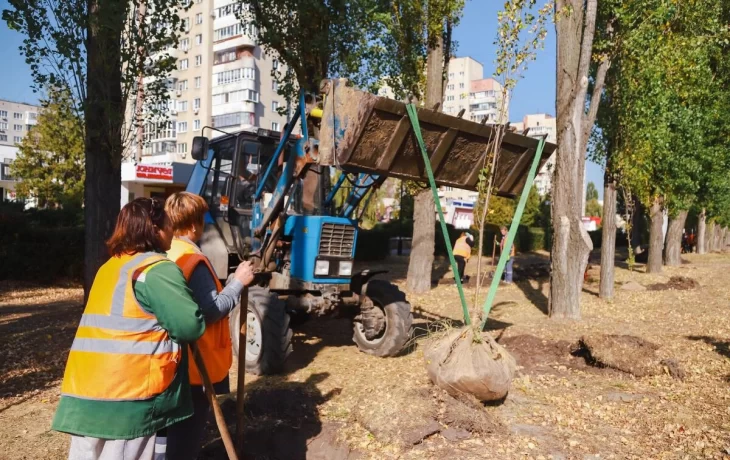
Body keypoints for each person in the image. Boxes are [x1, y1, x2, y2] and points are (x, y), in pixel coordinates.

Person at [52, 197, 206, 460]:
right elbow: (189, 326)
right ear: (155, 229)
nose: (171, 232)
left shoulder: (110, 267)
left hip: (85, 391)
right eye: (168, 225)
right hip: (127, 398)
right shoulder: (156, 269)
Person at [164, 192, 255, 460]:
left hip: (167, 364)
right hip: (195, 368)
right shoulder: (193, 260)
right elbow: (210, 310)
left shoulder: (166, 252)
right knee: (184, 445)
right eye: (202, 219)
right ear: (193, 225)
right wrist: (238, 281)